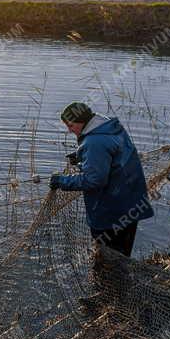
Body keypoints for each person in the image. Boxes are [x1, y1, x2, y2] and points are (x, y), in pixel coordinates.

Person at [49, 102, 153, 257]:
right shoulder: (111, 128)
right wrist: (81, 159)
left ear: (82, 122)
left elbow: (95, 180)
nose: (69, 130)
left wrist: (62, 181)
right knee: (122, 256)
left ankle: (111, 280)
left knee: (107, 261)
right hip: (130, 204)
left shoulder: (94, 142)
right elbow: (114, 161)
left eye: (71, 125)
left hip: (112, 212)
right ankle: (120, 280)